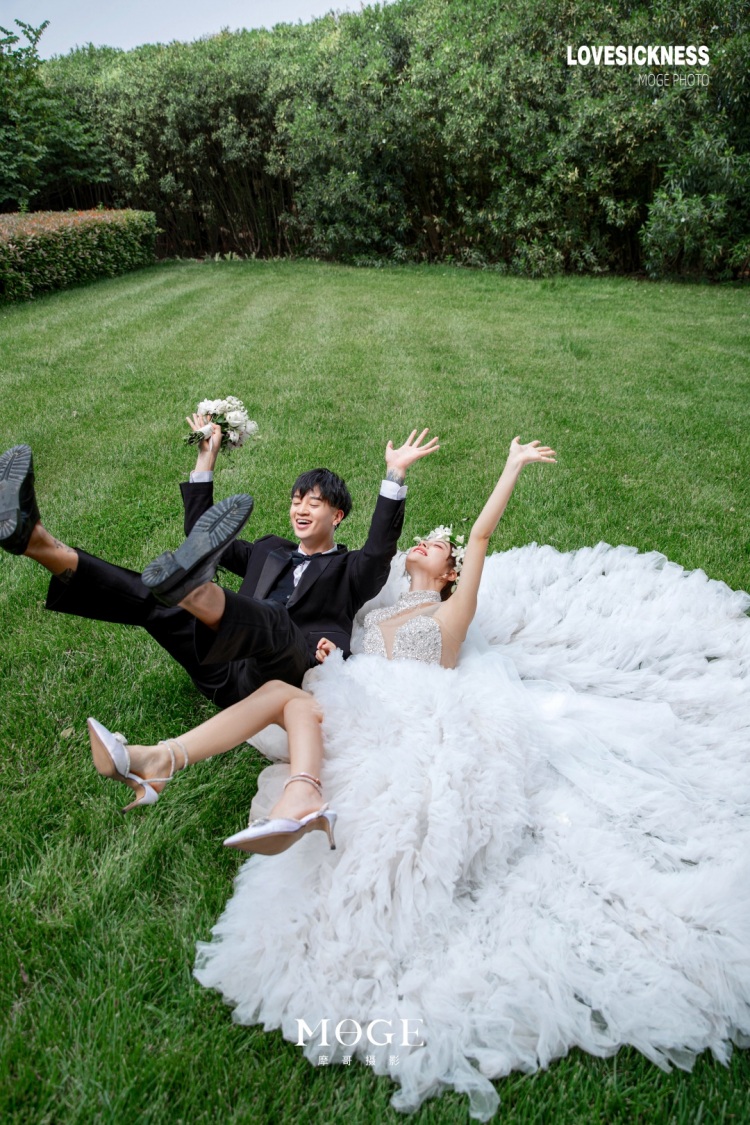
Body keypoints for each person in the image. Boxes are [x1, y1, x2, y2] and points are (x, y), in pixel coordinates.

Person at [86, 435, 556, 839]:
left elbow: (470, 538)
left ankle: (192, 615)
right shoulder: (378, 613)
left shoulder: (449, 612)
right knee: (184, 624)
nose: (423, 544)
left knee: (282, 675)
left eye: (435, 546)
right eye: (298, 500)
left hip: (379, 713)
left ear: (453, 572)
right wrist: (334, 659)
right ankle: (176, 761)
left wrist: (406, 474)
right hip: (323, 686)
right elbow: (206, 537)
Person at [0, 424, 437, 723]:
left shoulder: (350, 569)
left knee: (274, 621)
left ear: (337, 516)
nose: (300, 509)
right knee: (153, 601)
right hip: (218, 663)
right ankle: (35, 540)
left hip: (282, 672)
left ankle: (195, 590)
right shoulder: (268, 549)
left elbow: (379, 549)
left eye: (314, 503)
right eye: (295, 501)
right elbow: (200, 530)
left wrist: (395, 475)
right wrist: (205, 457)